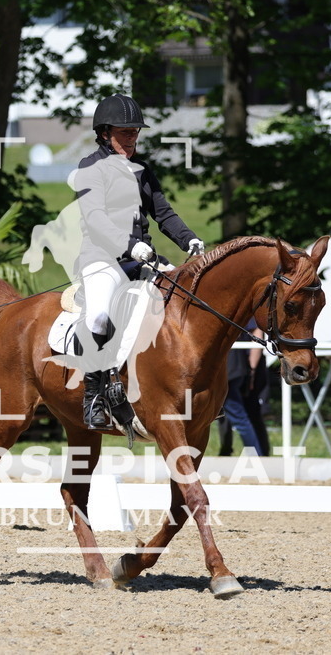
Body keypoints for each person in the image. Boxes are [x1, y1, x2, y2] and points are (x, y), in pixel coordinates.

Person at [72, 94, 205, 431]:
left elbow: (164, 214)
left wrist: (188, 239)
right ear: (105, 133)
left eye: (135, 133)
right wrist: (130, 246)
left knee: (184, 304)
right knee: (100, 315)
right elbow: (96, 219)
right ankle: (94, 397)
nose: (132, 140)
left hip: (141, 260)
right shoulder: (89, 168)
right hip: (102, 259)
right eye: (125, 133)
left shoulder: (143, 170)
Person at [218, 328, 270, 457]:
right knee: (232, 416)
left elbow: (258, 332)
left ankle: (256, 454)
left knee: (239, 417)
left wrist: (252, 369)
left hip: (230, 370)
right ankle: (229, 451)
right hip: (236, 369)